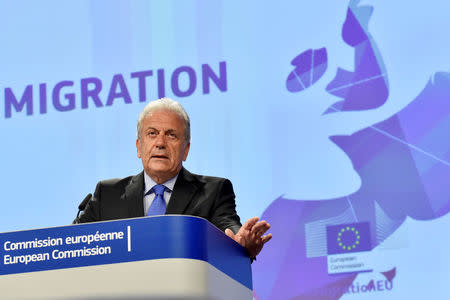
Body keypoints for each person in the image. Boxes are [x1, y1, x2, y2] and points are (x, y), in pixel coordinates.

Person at [74, 97, 272, 258]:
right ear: (138, 147)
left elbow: (229, 228)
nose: (160, 143)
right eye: (152, 133)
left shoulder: (214, 191)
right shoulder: (107, 194)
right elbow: (71, 244)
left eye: (171, 135)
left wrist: (241, 241)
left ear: (185, 150)